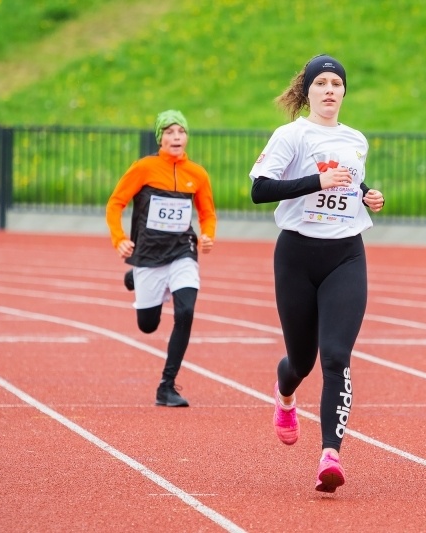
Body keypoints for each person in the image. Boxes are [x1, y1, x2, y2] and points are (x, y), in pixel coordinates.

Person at [249, 54, 385, 493]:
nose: (329, 90)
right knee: (301, 361)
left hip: (346, 255)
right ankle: (285, 394)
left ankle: (330, 455)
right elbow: (260, 190)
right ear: (308, 91)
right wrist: (315, 183)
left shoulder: (356, 139)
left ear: (344, 92)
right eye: (321, 83)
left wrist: (368, 194)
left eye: (336, 84)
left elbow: (349, 180)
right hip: (297, 256)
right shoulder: (291, 135)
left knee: (336, 356)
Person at [106, 110, 216, 407]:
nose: (176, 137)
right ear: (160, 138)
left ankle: (166, 386)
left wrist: (207, 236)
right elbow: (115, 203)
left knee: (186, 312)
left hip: (183, 251)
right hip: (149, 255)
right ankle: (134, 276)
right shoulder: (144, 168)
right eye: (169, 132)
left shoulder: (197, 174)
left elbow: (207, 214)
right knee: (148, 325)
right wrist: (119, 238)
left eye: (181, 131)